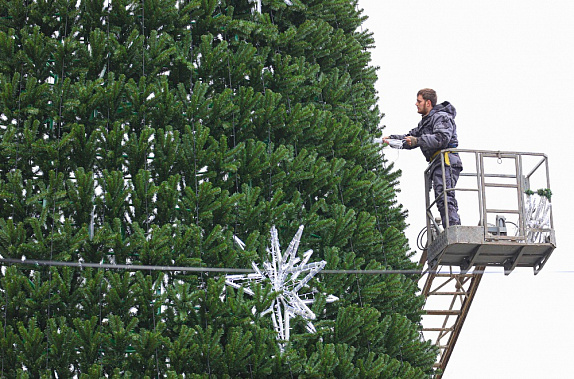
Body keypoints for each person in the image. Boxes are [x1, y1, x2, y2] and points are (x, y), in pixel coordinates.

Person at [383, 88, 462, 228]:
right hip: (438, 162)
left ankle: (453, 228)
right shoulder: (425, 122)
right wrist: (391, 140)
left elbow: (442, 138)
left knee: (444, 196)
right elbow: (409, 138)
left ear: (428, 103)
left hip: (446, 160)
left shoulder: (441, 117)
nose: (416, 104)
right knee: (441, 196)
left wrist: (417, 141)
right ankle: (451, 227)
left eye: (419, 101)